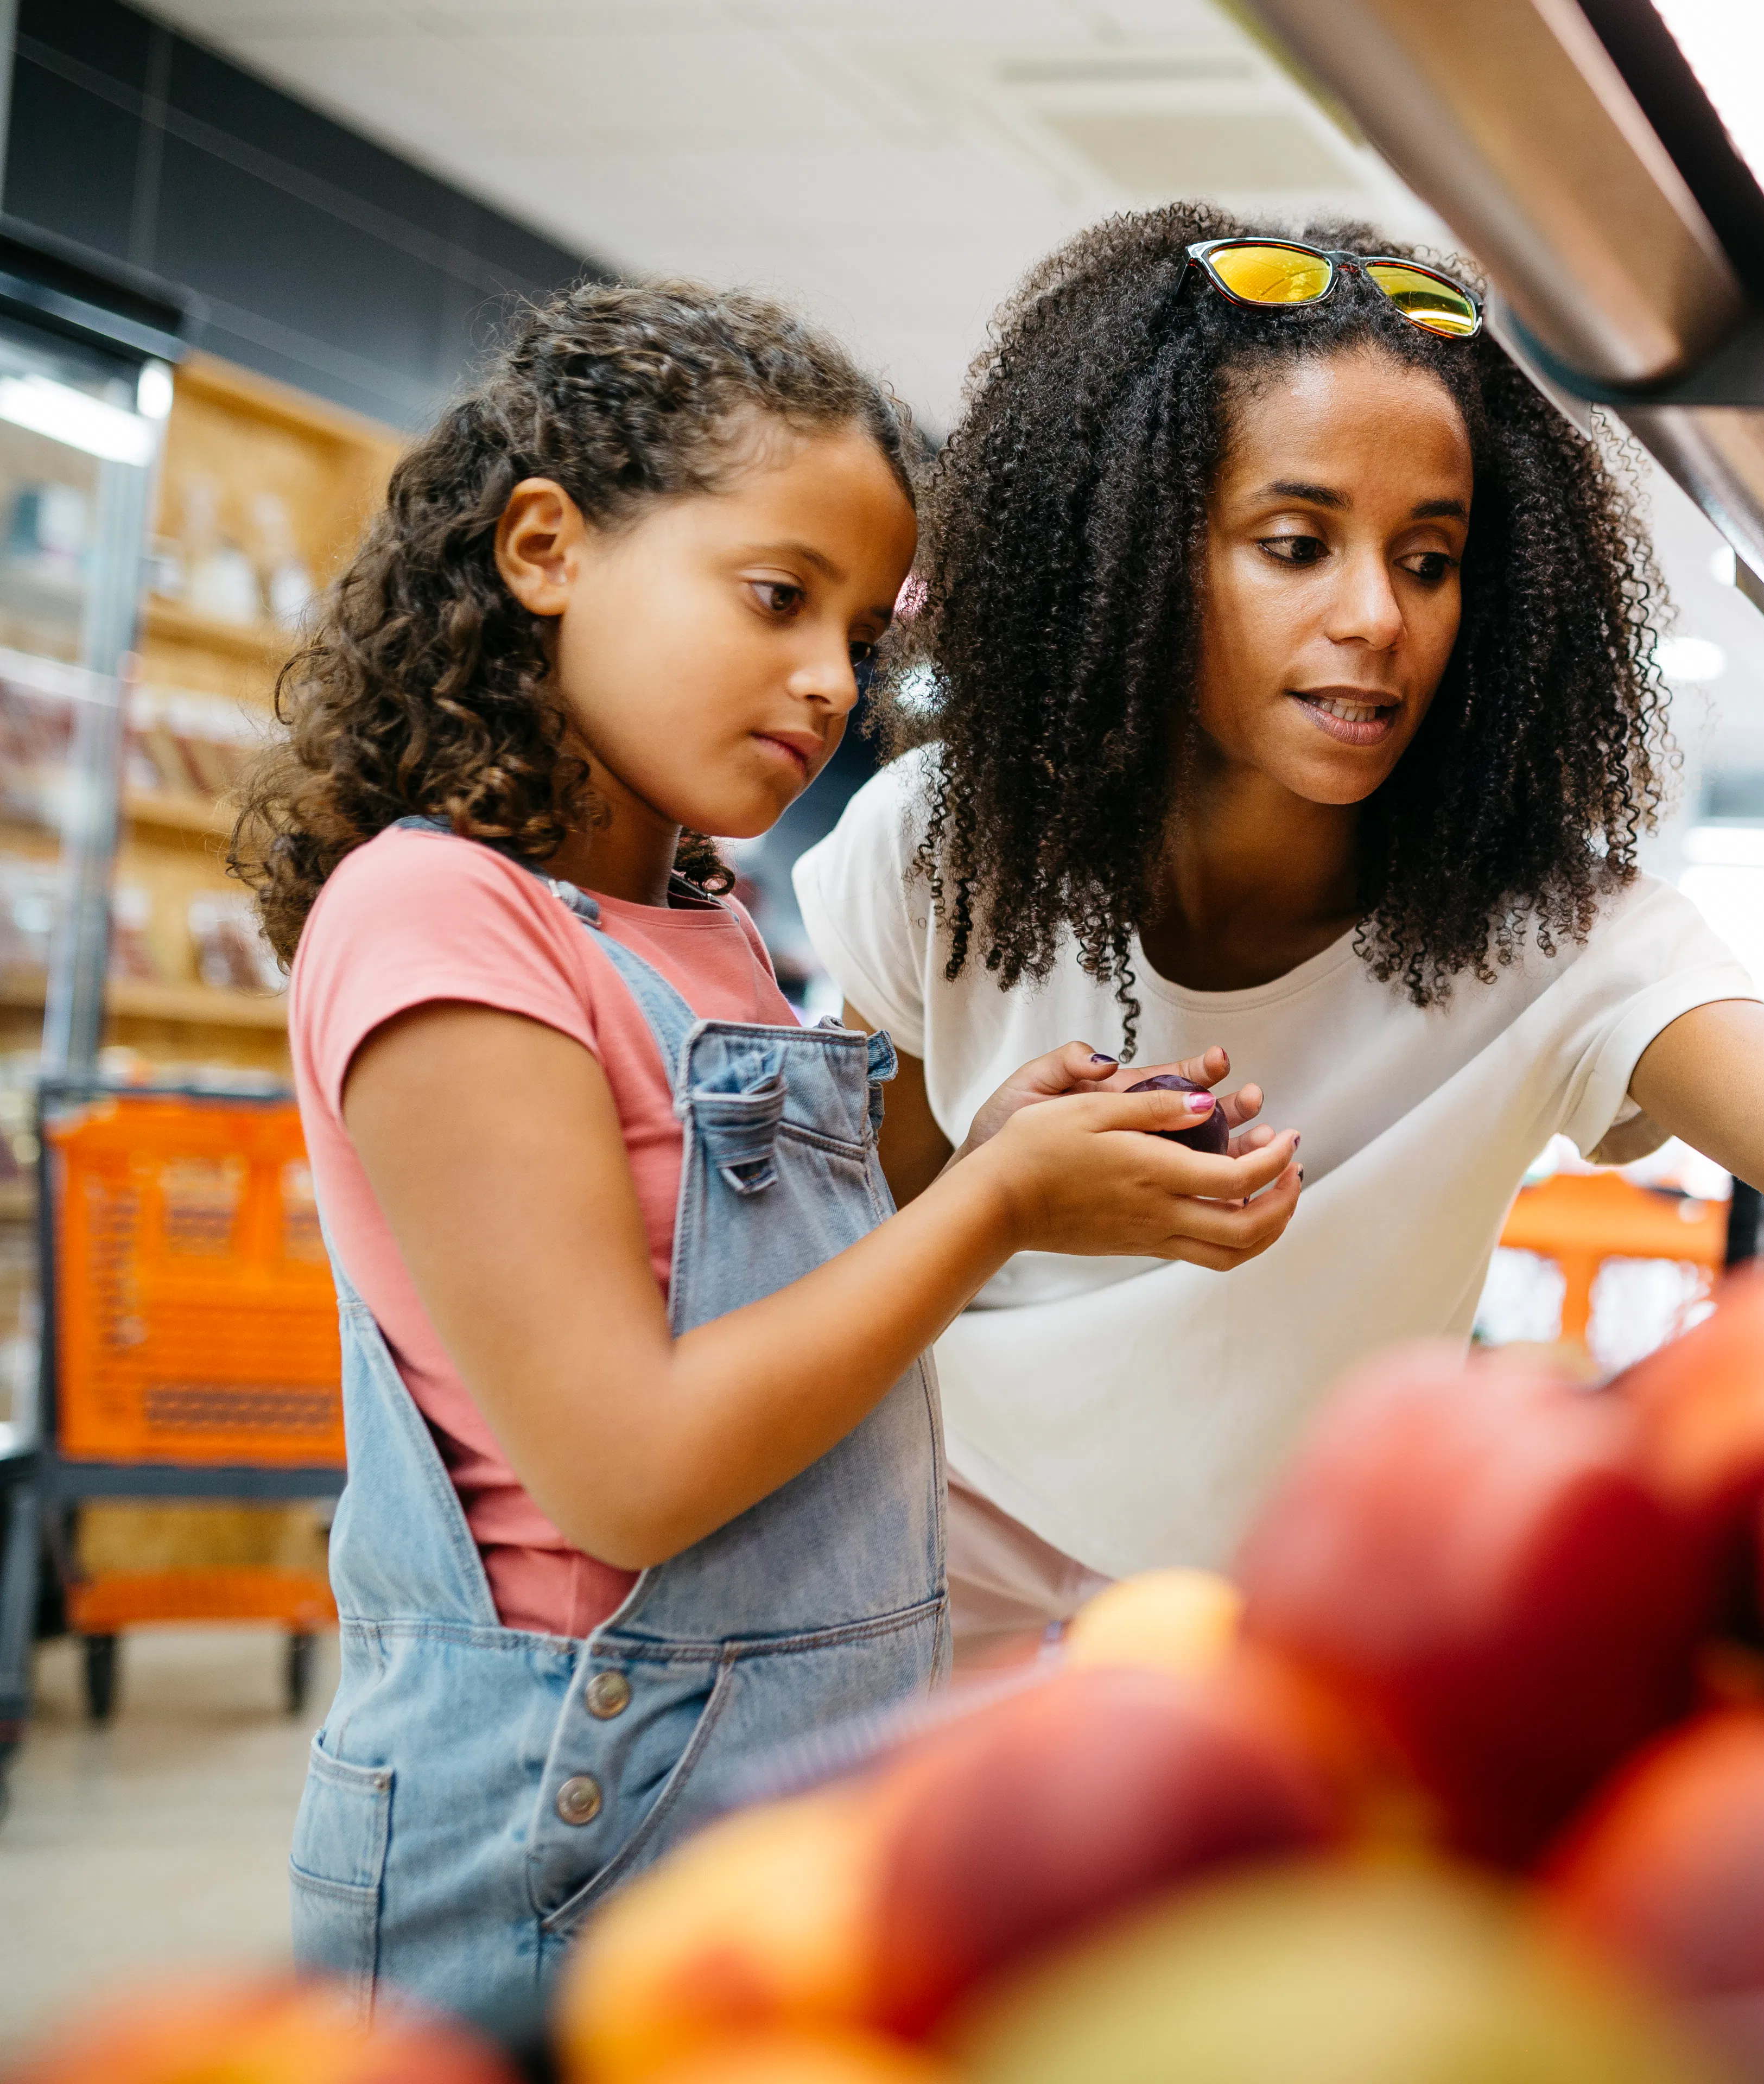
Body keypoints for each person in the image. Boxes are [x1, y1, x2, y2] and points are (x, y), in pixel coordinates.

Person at [795, 207, 1764, 1666]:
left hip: (1279, 1644)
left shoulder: (1548, 931)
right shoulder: (943, 851)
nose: (1379, 619)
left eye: (1432, 558)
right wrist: (1008, 1195)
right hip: (907, 1589)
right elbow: (844, 1273)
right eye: (1297, 544)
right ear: (1132, 561)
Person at [234, 281, 1300, 2035]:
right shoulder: (438, 918)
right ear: (546, 548)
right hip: (559, 1829)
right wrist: (988, 1211)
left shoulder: (692, 918)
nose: (831, 683)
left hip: (759, 1794)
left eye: (865, 638)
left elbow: (767, 1311)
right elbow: (628, 1470)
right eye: (775, 597)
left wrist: (994, 1138)